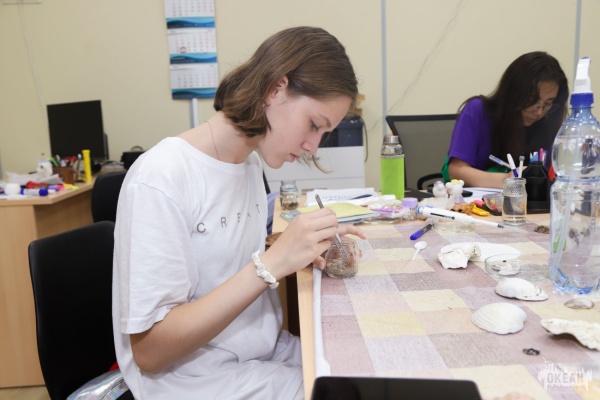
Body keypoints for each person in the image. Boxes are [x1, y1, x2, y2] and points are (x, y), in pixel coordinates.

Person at [112, 26, 366, 400]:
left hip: (257, 352)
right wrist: (272, 263)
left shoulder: (247, 163)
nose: (313, 146)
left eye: (323, 133)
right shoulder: (161, 177)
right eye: (314, 124)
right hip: (190, 380)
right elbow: (151, 352)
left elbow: (224, 260)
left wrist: (302, 247)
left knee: (364, 362)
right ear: (275, 90)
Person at [443, 51, 569, 188]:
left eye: (548, 103)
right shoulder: (478, 111)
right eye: (533, 100)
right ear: (514, 92)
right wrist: (507, 179)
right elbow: (456, 171)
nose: (539, 112)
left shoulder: (547, 122)